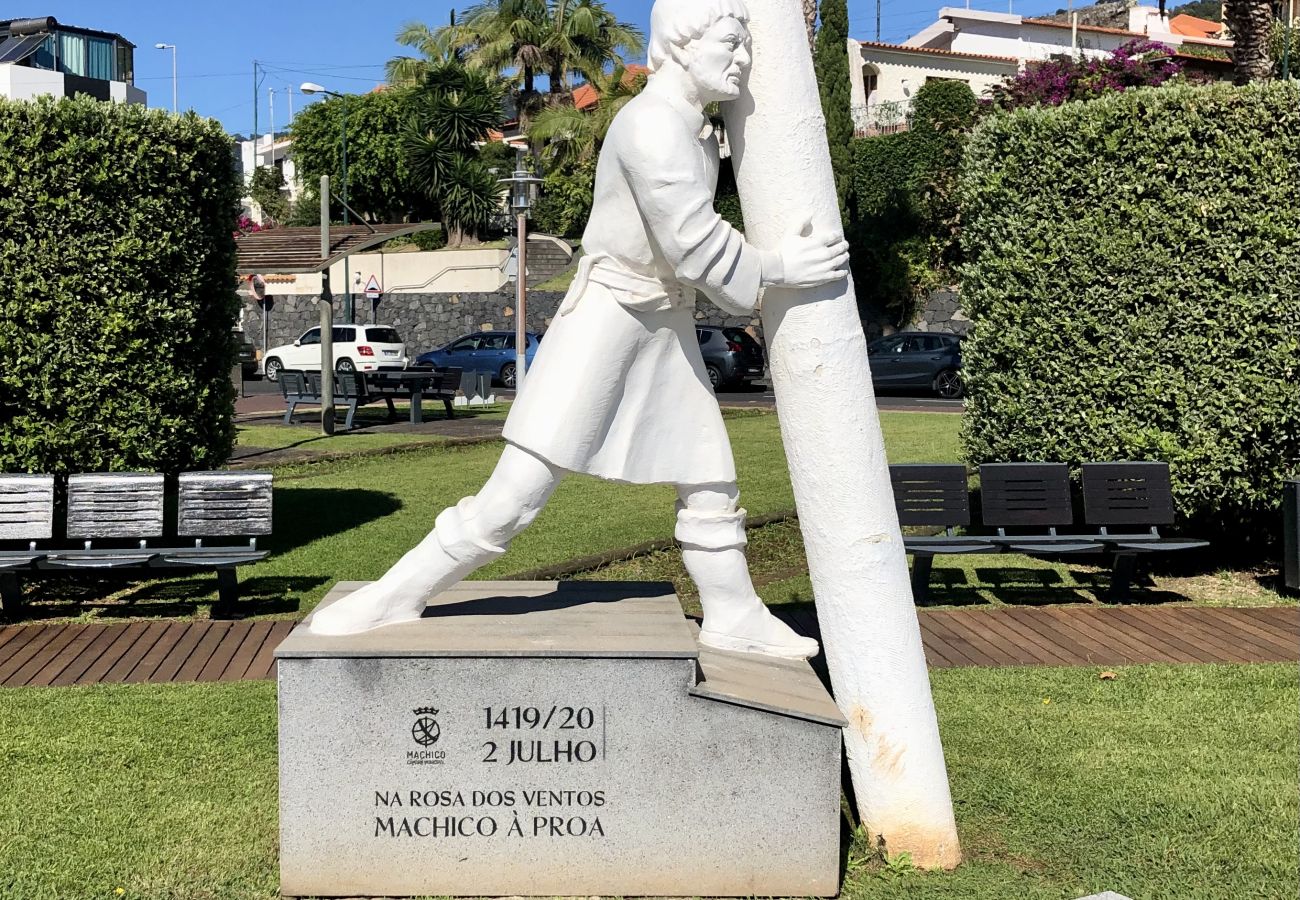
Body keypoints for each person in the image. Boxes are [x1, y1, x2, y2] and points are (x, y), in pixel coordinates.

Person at [310, 0, 849, 658]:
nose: (742, 61)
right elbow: (694, 246)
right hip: (607, 318)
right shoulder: (651, 127)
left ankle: (733, 612)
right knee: (515, 498)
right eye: (729, 44)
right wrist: (781, 267)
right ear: (681, 44)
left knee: (711, 477)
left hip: (660, 317)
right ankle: (398, 591)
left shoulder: (691, 127)